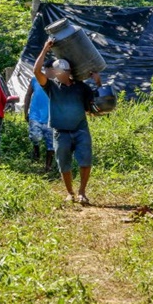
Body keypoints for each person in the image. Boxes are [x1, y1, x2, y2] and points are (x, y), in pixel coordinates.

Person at [34, 40, 102, 205]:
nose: (57, 74)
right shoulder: (51, 87)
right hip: (60, 131)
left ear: (68, 71)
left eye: (59, 71)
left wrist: (98, 82)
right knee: (64, 163)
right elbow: (36, 71)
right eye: (56, 71)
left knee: (85, 160)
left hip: (80, 129)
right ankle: (70, 192)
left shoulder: (81, 87)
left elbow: (97, 102)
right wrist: (44, 49)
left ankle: (82, 192)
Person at [24, 59, 56, 170]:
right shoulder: (35, 80)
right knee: (35, 136)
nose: (51, 72)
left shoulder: (58, 83)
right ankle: (36, 148)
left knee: (51, 142)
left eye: (53, 70)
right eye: (49, 69)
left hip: (51, 117)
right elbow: (28, 95)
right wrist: (25, 111)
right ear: (45, 69)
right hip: (35, 115)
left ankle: (48, 166)